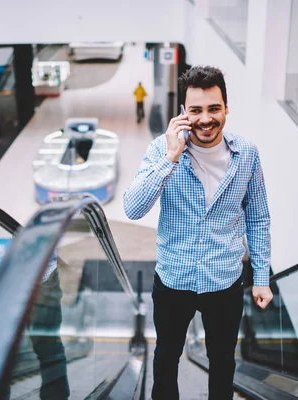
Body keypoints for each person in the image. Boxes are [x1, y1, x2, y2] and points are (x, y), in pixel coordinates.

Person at [123, 65, 273, 399]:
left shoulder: (246, 154)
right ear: (183, 113)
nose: (205, 119)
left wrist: (261, 276)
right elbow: (132, 208)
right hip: (174, 279)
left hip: (224, 281)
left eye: (213, 108)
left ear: (226, 108)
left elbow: (258, 217)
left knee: (222, 362)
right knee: (165, 359)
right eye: (196, 110)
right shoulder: (162, 150)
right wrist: (171, 157)